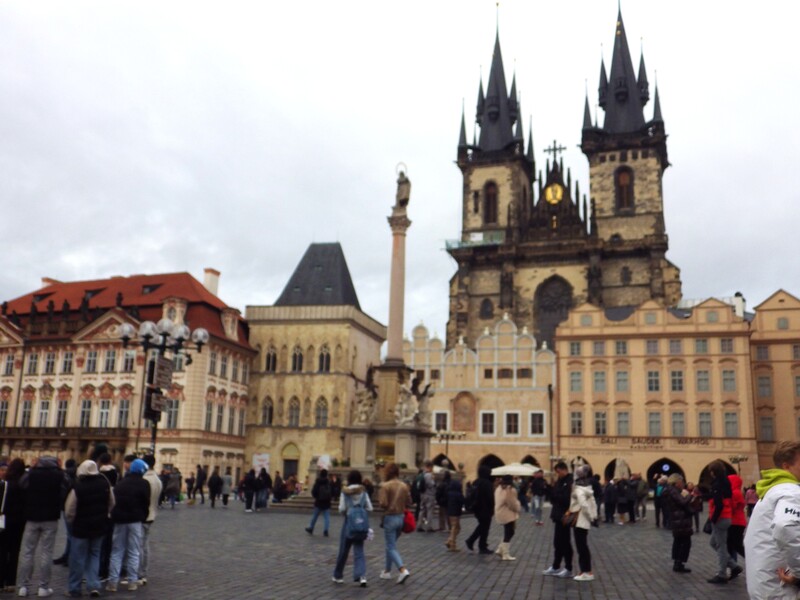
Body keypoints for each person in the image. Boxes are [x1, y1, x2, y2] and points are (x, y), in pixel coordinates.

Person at [744, 440, 800, 599]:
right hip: (780, 588)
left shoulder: (772, 491)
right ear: (786, 466)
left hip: (765, 584)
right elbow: (785, 527)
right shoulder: (790, 492)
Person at [16, 455, 70, 598]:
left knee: (28, 552)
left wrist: (31, 469)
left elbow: (21, 484)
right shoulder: (59, 475)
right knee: (46, 553)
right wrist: (60, 469)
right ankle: (43, 587)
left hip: (32, 516)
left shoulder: (32, 474)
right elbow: (67, 485)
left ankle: (23, 586)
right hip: (50, 518)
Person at [64, 460, 114, 598]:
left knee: (77, 558)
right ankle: (93, 585)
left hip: (81, 527)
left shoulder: (78, 486)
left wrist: (71, 521)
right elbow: (112, 503)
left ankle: (74, 587)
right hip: (99, 526)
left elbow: (70, 509)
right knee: (95, 555)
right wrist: (105, 515)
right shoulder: (105, 484)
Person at [106, 459, 150, 593]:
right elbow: (145, 503)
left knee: (117, 551)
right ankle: (132, 581)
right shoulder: (144, 484)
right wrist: (143, 516)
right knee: (134, 551)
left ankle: (113, 582)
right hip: (135, 520)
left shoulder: (121, 483)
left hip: (119, 520)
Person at [332, 470, 373, 587]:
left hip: (348, 523)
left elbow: (341, 508)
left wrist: (349, 513)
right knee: (359, 550)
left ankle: (338, 575)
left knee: (343, 551)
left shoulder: (345, 492)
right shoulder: (363, 491)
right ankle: (362, 576)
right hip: (360, 525)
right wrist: (360, 512)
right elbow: (370, 508)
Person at [706, 459, 740, 584]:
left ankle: (722, 574)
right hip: (727, 516)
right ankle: (734, 566)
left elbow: (719, 504)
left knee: (721, 547)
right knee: (713, 543)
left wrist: (713, 519)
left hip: (720, 518)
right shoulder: (726, 483)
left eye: (711, 471)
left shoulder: (717, 484)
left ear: (713, 472)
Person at [376, 463, 411, 583]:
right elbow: (409, 501)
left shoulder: (385, 486)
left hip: (390, 518)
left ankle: (402, 570)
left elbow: (383, 503)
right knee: (391, 545)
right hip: (401, 518)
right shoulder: (404, 486)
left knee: (390, 546)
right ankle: (387, 571)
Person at [663, 473, 699, 574]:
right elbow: (682, 502)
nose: (683, 483)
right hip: (680, 519)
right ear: (677, 482)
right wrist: (690, 495)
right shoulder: (673, 491)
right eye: (682, 481)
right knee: (685, 542)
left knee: (678, 541)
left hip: (677, 519)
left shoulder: (670, 490)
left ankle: (677, 562)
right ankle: (679, 563)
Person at [542, 461, 574, 578]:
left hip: (565, 516)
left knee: (565, 542)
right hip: (557, 515)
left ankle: (568, 568)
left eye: (559, 472)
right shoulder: (559, 481)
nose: (557, 474)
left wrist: (554, 495)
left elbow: (567, 499)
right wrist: (549, 490)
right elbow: (555, 496)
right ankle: (556, 566)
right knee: (557, 542)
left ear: (564, 469)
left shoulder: (570, 481)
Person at [0, 459, 25, 594]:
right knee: (15, 552)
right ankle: (11, 582)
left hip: (5, 520)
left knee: (2, 550)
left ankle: (1, 581)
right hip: (20, 521)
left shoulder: (5, 484)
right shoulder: (24, 485)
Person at [570, 465, 598, 581]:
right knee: (583, 546)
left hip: (579, 521)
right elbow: (593, 504)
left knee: (581, 547)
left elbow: (584, 505)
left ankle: (586, 572)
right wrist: (593, 517)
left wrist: (590, 517)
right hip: (584, 521)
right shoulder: (588, 488)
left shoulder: (578, 489)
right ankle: (585, 571)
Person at [138, 455, 162, 586]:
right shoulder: (157, 479)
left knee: (140, 546)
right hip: (152, 515)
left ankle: (140, 573)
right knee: (145, 545)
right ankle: (143, 572)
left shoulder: (145, 479)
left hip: (143, 515)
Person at [464, 464, 494, 555]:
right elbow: (490, 498)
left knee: (482, 526)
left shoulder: (476, 482)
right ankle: (476, 543)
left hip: (476, 508)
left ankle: (480, 544)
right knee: (484, 527)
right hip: (485, 509)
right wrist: (493, 507)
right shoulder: (487, 483)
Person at [53, 459, 77, 567]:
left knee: (70, 534)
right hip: (73, 505)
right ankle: (68, 555)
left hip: (65, 506)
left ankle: (68, 556)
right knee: (71, 534)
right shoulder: (76, 475)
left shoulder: (64, 475)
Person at [494, 475, 521, 561]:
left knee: (508, 531)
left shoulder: (498, 488)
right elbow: (512, 503)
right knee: (510, 531)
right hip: (508, 513)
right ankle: (505, 553)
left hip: (500, 512)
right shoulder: (510, 489)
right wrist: (518, 507)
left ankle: (500, 549)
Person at [727, 473, 746, 566]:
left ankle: (751, 559)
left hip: (736, 522)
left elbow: (732, 507)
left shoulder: (734, 493)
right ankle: (733, 565)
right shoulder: (737, 492)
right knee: (731, 545)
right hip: (737, 521)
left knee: (737, 545)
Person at [306, 469, 332, 536]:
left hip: (318, 501)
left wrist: (316, 497)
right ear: (326, 475)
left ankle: (311, 528)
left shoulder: (318, 482)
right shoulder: (328, 482)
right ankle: (326, 530)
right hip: (326, 502)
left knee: (315, 516)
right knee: (327, 517)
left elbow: (314, 491)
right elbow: (331, 492)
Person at [445, 474, 464, 553]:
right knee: (455, 527)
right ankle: (452, 544)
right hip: (456, 512)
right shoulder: (458, 494)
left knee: (457, 527)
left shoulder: (449, 493)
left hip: (450, 512)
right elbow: (462, 501)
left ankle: (449, 540)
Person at [417, 460, 436, 532]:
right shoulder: (429, 475)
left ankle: (419, 525)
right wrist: (433, 480)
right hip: (429, 495)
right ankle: (429, 526)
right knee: (429, 511)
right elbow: (431, 484)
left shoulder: (422, 474)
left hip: (422, 494)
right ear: (430, 467)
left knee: (422, 510)